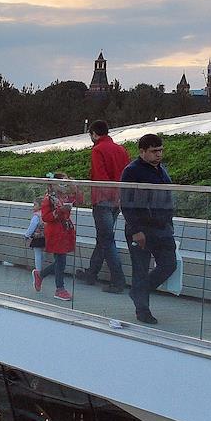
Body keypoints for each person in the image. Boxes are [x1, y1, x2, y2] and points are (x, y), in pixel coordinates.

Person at [120, 134, 176, 325]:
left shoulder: (161, 170)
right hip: (142, 228)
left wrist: (169, 223)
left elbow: (167, 198)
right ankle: (142, 309)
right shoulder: (132, 171)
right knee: (141, 269)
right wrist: (136, 229)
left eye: (160, 150)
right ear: (142, 151)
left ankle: (138, 292)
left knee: (169, 264)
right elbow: (126, 202)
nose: (159, 154)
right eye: (154, 151)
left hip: (162, 227)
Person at [76, 120, 130, 292]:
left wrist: (103, 197)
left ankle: (118, 280)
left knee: (106, 240)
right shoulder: (121, 150)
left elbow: (100, 176)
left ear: (93, 134)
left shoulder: (97, 150)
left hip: (103, 199)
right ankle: (92, 273)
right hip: (118, 200)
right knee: (103, 238)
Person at [36, 177, 78, 300]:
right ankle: (59, 288)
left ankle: (41, 275)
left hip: (65, 231)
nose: (63, 186)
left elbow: (79, 200)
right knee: (61, 260)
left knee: (60, 261)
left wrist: (75, 188)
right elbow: (45, 217)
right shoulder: (48, 199)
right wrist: (60, 211)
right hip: (55, 232)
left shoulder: (64, 197)